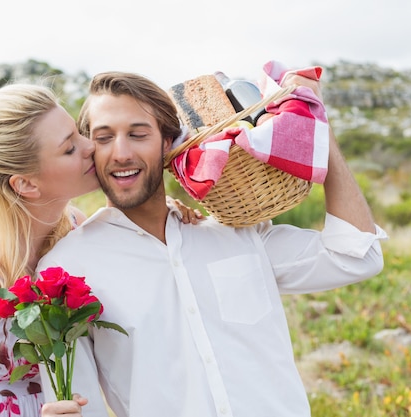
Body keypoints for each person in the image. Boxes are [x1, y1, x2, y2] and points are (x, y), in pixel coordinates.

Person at [36, 71, 388, 417]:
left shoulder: (238, 232)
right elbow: (80, 403)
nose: (121, 153)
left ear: (168, 143)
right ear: (88, 151)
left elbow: (359, 256)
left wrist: (317, 124)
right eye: (104, 137)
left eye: (138, 134)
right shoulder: (67, 269)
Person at [0, 81, 204, 417]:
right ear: (26, 183)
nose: (90, 147)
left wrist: (164, 212)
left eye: (78, 133)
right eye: (69, 149)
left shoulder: (74, 226)